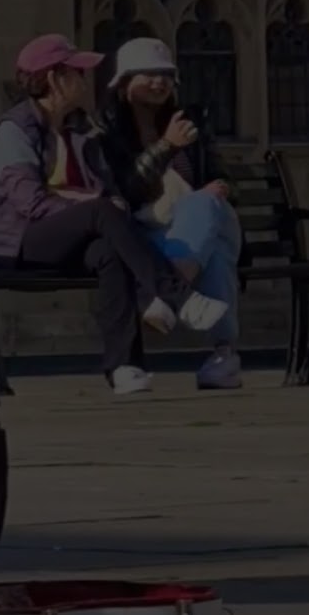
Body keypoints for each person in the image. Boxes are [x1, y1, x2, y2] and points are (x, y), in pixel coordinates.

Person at [0, 33, 228, 394]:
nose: (85, 79)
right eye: (77, 72)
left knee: (110, 250)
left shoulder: (82, 129)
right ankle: (179, 296)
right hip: (18, 240)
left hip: (73, 235)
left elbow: (106, 187)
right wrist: (92, 206)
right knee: (101, 213)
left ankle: (125, 366)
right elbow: (29, 204)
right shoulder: (14, 131)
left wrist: (109, 202)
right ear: (54, 78)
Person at [98, 38, 243, 390]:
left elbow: (221, 173)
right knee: (218, 253)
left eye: (166, 74)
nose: (159, 82)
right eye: (148, 74)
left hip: (201, 222)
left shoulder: (190, 122)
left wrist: (220, 186)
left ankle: (168, 296)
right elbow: (128, 191)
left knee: (203, 205)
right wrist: (167, 146)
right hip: (150, 235)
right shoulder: (110, 135)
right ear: (124, 83)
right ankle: (225, 355)